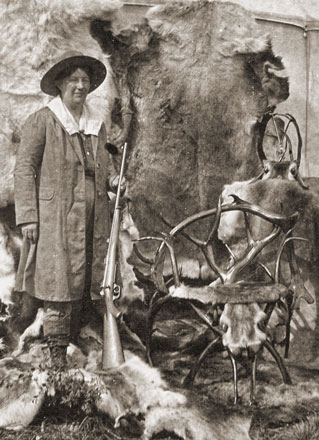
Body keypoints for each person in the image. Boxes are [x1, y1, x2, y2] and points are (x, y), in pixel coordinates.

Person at [14, 50, 123, 368]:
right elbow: (24, 170)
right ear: (60, 85)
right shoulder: (43, 121)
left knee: (87, 280)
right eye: (73, 80)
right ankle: (56, 355)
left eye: (85, 80)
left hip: (93, 220)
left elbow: (103, 169)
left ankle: (77, 341)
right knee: (60, 283)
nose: (80, 86)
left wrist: (116, 182)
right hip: (55, 220)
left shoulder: (95, 125)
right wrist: (29, 217)